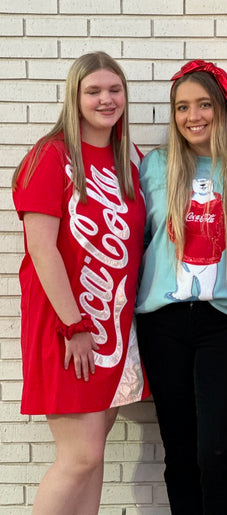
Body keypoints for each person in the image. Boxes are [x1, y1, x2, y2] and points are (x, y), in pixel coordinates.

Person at [12, 51, 150, 515]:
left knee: (94, 458)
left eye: (115, 89)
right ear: (74, 97)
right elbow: (42, 249)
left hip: (110, 327)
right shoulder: (50, 156)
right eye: (93, 91)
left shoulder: (129, 159)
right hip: (68, 326)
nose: (106, 99)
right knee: (80, 456)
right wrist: (75, 324)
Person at [135, 59, 227, 514]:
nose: (193, 116)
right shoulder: (155, 165)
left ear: (224, 108)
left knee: (215, 451)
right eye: (182, 107)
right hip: (163, 323)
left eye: (204, 104)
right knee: (179, 452)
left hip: (226, 323)